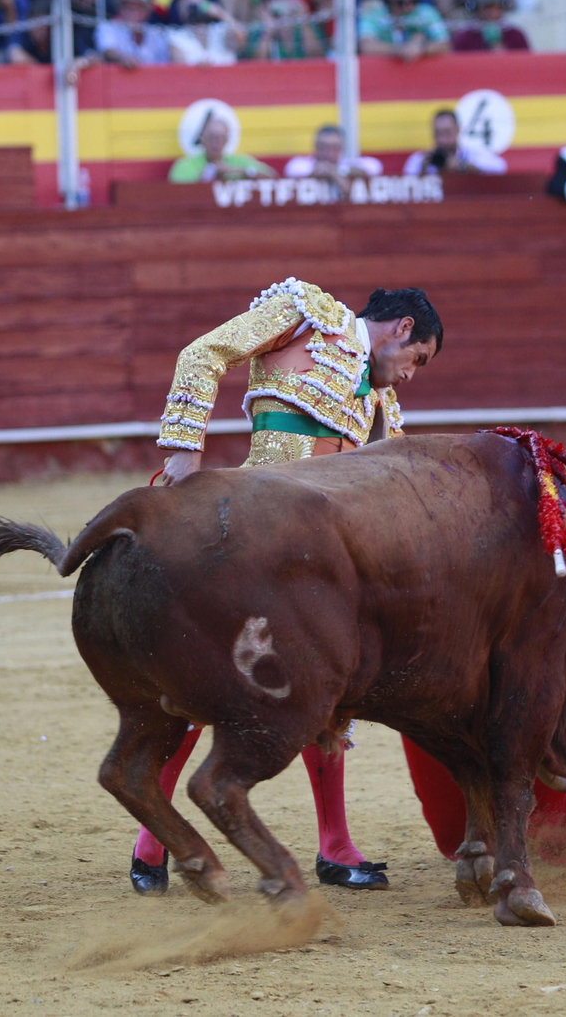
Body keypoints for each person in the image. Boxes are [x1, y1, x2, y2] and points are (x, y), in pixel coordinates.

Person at [138, 280, 444, 896]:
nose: (412, 376)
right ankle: (154, 843)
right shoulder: (308, 313)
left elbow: (396, 483)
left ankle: (336, 847)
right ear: (403, 329)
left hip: (328, 562)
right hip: (255, 536)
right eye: (420, 359)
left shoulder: (383, 407)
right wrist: (182, 452)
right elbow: (203, 353)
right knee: (201, 685)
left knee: (332, 696)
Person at [357, 0, 448, 61]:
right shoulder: (374, 14)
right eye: (400, 2)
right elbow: (366, 46)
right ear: (388, 0)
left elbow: (444, 44)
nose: (407, 6)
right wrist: (400, 49)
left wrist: (420, 48)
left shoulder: (427, 12)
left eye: (413, 0)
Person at [239, 0, 326, 61]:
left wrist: (303, 20)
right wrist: (268, 31)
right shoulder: (258, 30)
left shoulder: (308, 26)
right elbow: (256, 63)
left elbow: (317, 56)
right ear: (266, 1)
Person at [284, 124, 381, 200]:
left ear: (342, 148)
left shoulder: (348, 164)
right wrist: (337, 175)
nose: (329, 152)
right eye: (324, 147)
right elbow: (293, 170)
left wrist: (336, 171)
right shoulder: (301, 164)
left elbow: (375, 167)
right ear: (316, 146)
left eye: (334, 147)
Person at [402, 107, 505, 176]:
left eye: (447, 132)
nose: (442, 139)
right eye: (438, 133)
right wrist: (423, 171)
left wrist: (464, 166)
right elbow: (406, 181)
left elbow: (500, 167)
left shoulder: (472, 153)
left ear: (458, 130)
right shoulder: (422, 159)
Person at [168, 118, 274, 183]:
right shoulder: (185, 165)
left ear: (226, 140)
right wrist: (205, 177)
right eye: (212, 137)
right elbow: (178, 192)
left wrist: (241, 172)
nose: (216, 143)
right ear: (202, 138)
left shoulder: (238, 161)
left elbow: (272, 176)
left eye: (220, 138)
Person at [94, 0, 169, 67]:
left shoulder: (156, 34)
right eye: (128, 6)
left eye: (139, 6)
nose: (133, 10)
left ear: (148, 10)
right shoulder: (108, 28)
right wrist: (123, 58)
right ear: (120, 8)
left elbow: (164, 63)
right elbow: (108, 51)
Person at [166, 0, 243, 66]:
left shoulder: (220, 30)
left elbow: (241, 39)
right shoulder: (176, 36)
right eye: (191, 6)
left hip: (228, 76)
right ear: (180, 10)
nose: (196, 9)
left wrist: (221, 14)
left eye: (201, 4)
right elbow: (180, 65)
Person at [450, 0, 527, 52]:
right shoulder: (465, 36)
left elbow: (526, 60)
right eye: (486, 8)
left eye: (495, 7)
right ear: (476, 10)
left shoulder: (515, 34)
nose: (491, 12)